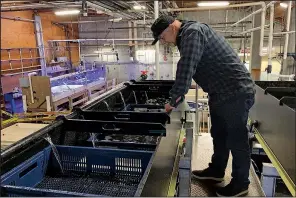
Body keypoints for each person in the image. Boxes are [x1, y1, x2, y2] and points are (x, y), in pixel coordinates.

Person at [151, 15, 256, 197]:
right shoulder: (188, 35)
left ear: (171, 27)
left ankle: (241, 184)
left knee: (236, 139)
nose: (163, 41)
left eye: (161, 37)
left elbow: (186, 68)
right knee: (219, 134)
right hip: (220, 92)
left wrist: (172, 101)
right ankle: (216, 171)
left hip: (235, 91)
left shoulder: (192, 33)